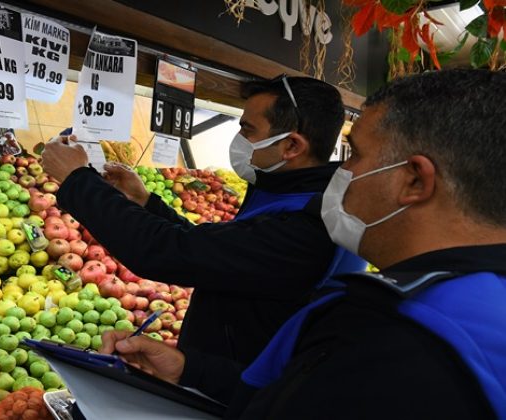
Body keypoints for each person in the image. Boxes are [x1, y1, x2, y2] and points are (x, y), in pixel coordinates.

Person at [99, 68, 506, 419]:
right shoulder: (460, 304)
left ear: (415, 180)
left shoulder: (400, 342)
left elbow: (177, 250)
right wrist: (189, 371)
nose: (342, 172)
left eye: (355, 155)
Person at [41, 76, 365, 366]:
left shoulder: (311, 225)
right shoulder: (287, 194)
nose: (239, 138)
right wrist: (146, 202)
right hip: (215, 380)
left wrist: (77, 180)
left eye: (248, 130)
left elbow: (169, 252)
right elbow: (215, 249)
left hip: (240, 399)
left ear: (292, 145)